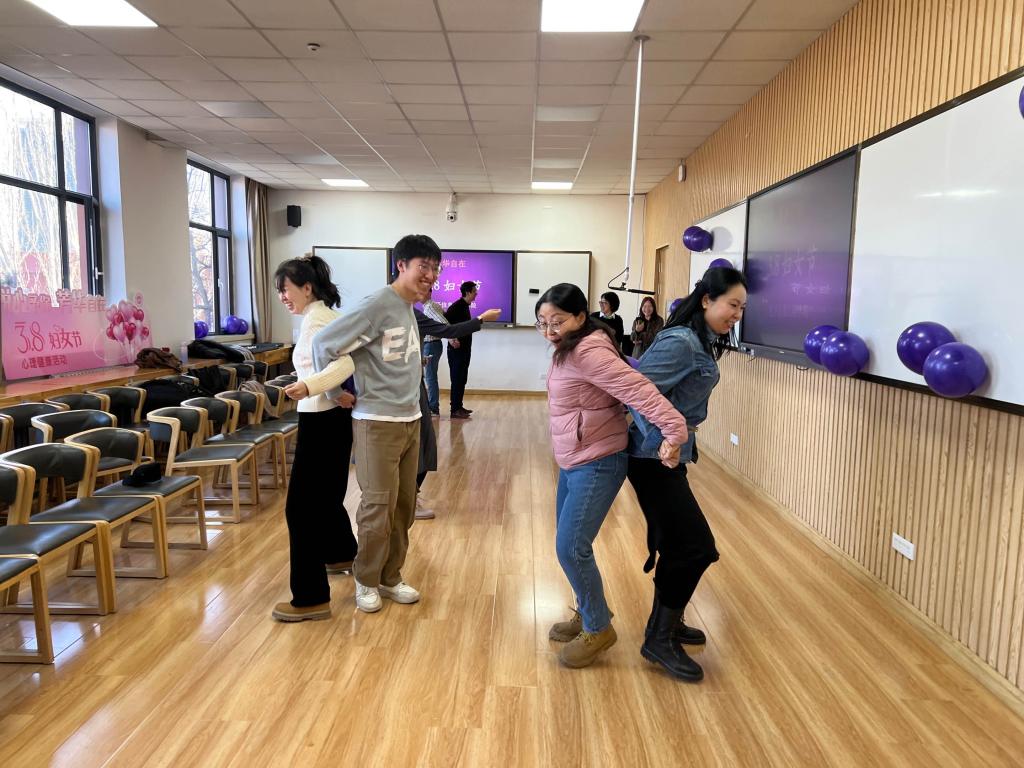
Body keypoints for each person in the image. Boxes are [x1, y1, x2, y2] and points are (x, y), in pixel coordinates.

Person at [537, 283, 689, 669]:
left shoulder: (587, 351)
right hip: (575, 458)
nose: (549, 330)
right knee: (568, 544)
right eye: (543, 322)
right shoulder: (571, 346)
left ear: (580, 317)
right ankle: (589, 610)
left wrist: (674, 430)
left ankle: (598, 628)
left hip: (597, 461)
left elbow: (638, 390)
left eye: (557, 321)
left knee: (571, 547)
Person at [627, 267, 747, 682]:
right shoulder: (681, 342)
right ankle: (658, 639)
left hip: (669, 455)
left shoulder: (700, 340)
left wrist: (676, 441)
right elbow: (637, 392)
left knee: (677, 543)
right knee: (696, 547)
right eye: (732, 304)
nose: (737, 314)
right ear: (707, 300)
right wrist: (666, 438)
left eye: (742, 308)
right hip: (652, 457)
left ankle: (666, 625)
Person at [312, 234, 440, 614]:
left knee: (403, 507)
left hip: (409, 420)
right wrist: (334, 391)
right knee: (378, 507)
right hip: (376, 423)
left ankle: (390, 576)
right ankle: (365, 579)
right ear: (401, 265)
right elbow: (323, 344)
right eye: (423, 266)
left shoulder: (408, 306)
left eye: (435, 269)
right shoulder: (378, 303)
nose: (430, 275)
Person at [270, 255, 358, 623]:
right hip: (329, 418)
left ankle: (310, 598)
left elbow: (344, 363)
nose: (282, 296)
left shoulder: (317, 321)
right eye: (279, 291)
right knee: (326, 497)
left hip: (321, 420)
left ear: (307, 288)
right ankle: (341, 553)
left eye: (286, 289)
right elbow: (333, 365)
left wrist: (311, 386)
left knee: (301, 509)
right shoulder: (323, 317)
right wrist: (329, 390)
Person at [413, 305, 500, 518]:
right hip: (395, 401)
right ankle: (406, 500)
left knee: (426, 449)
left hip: (414, 390)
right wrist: (481, 318)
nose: (428, 287)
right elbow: (448, 330)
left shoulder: (413, 312)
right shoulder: (385, 309)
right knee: (415, 452)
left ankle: (409, 497)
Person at [444, 280, 479, 419]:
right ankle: (454, 409)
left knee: (462, 378)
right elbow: (444, 325)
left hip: (464, 350)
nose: (476, 293)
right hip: (456, 351)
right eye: (474, 291)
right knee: (457, 378)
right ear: (468, 292)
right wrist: (451, 339)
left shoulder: (465, 306)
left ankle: (459, 406)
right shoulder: (456, 307)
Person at [420, 288, 447, 416]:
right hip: (432, 344)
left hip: (431, 345)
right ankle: (432, 406)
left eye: (423, 291)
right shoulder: (431, 306)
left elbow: (444, 323)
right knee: (431, 377)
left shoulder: (430, 307)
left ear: (429, 292)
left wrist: (452, 338)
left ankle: (433, 408)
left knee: (430, 378)